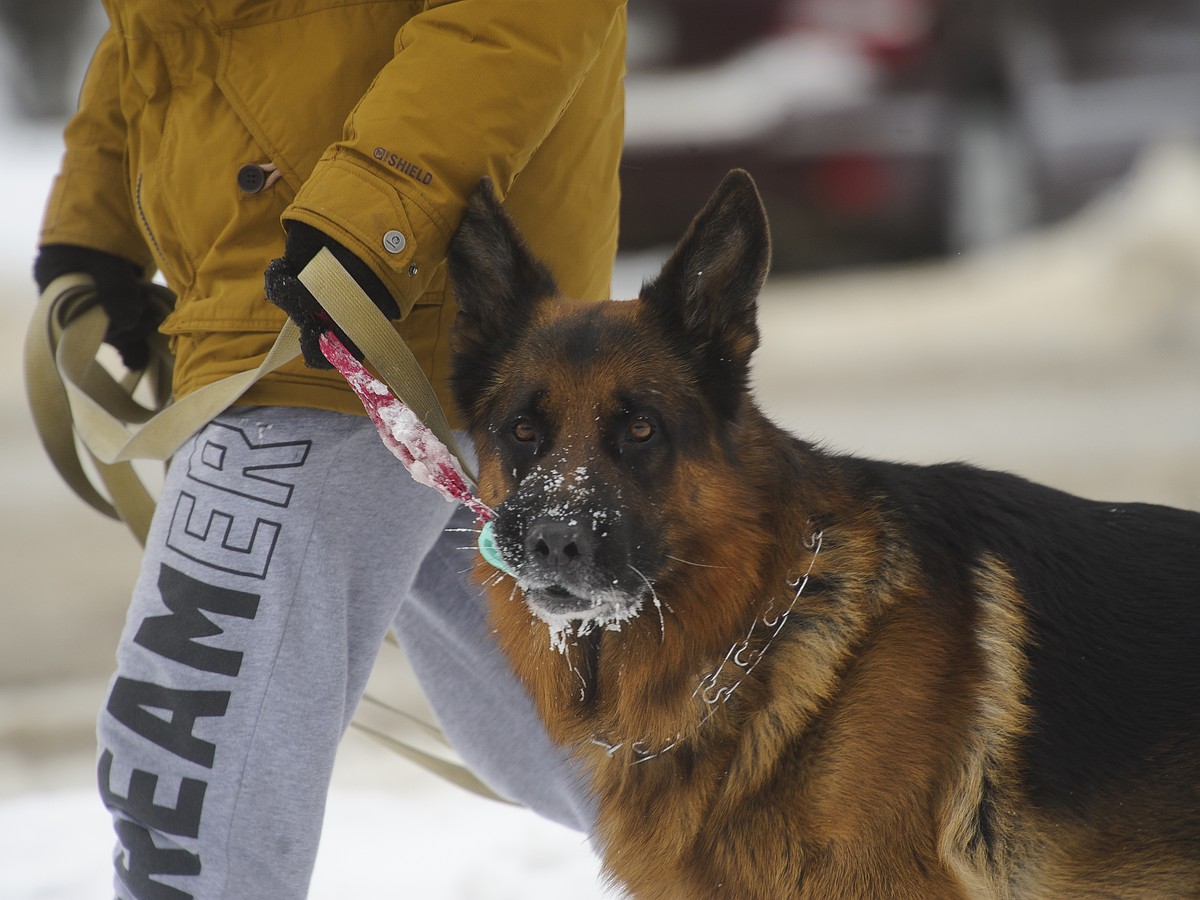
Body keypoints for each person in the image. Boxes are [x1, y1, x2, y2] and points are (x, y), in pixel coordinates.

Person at [33, 1, 627, 896]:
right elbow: (167, 27)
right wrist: (98, 212)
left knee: (186, 776)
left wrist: (376, 215)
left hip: (363, 302)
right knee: (652, 765)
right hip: (316, 289)